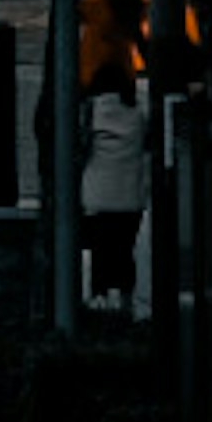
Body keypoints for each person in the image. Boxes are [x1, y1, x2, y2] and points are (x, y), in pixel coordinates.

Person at [79, 66, 150, 313]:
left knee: (100, 251)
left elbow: (81, 145)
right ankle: (125, 302)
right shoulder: (138, 113)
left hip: (98, 195)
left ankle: (100, 301)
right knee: (124, 251)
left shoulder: (91, 110)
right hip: (131, 195)